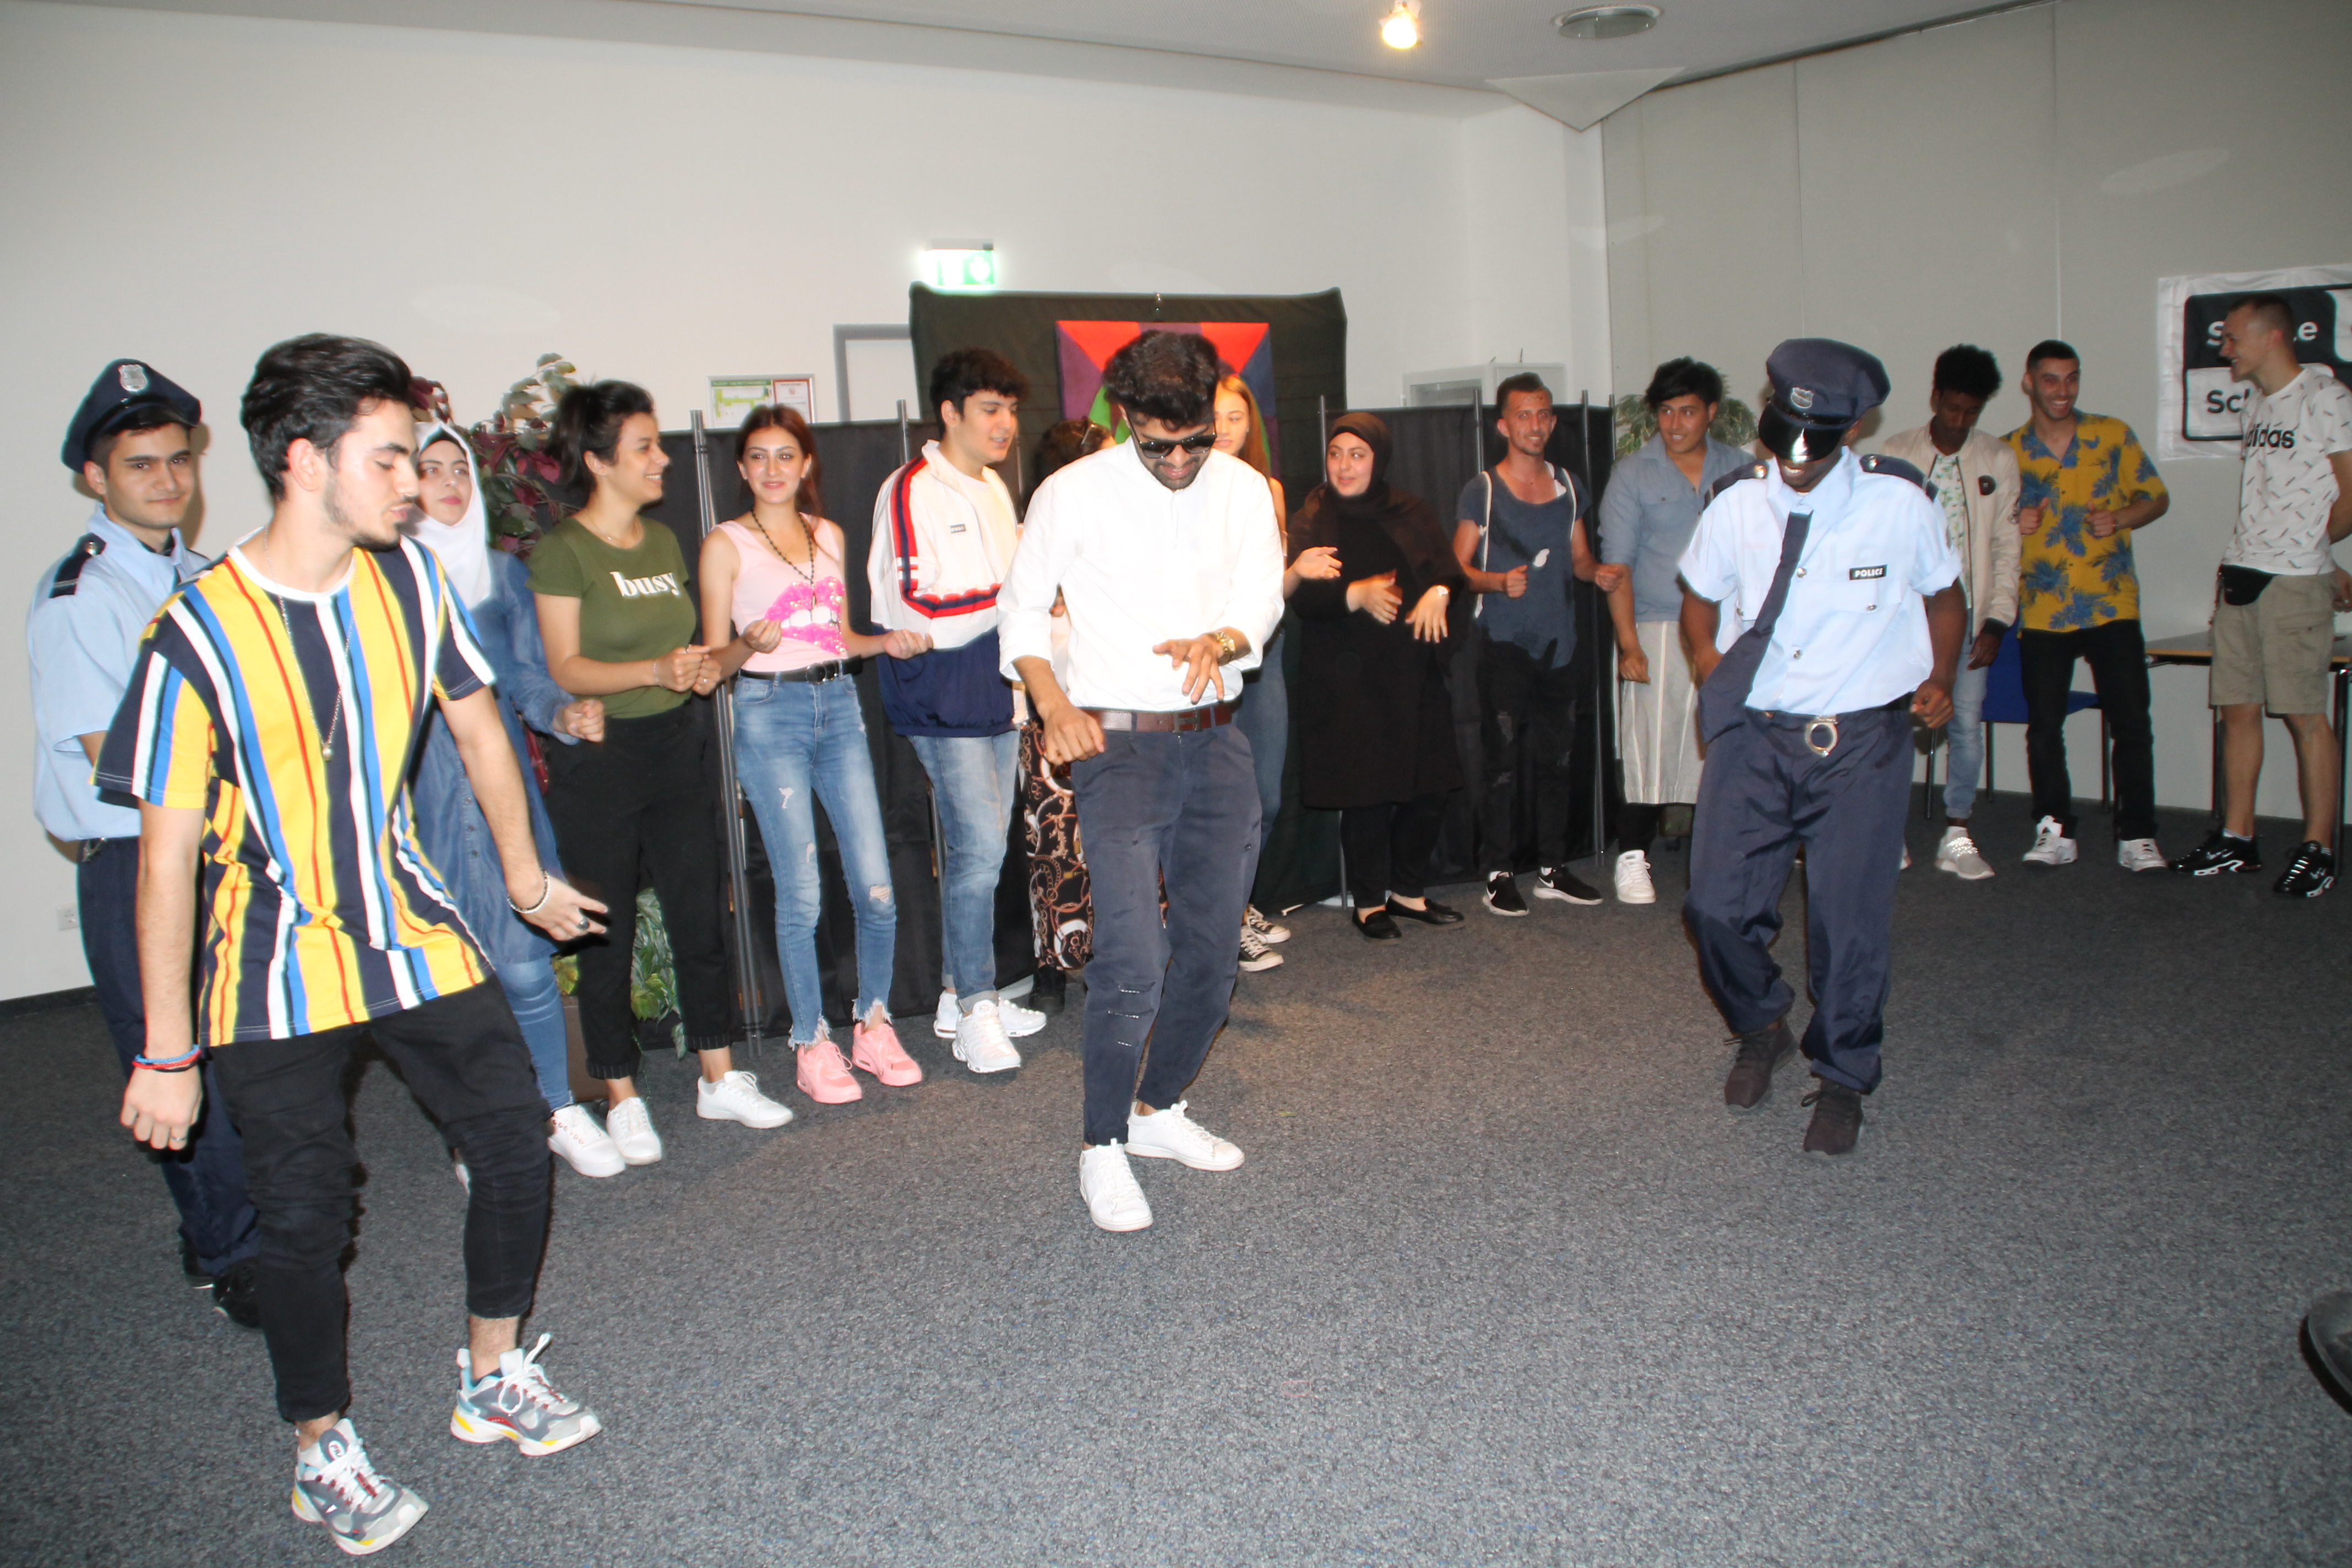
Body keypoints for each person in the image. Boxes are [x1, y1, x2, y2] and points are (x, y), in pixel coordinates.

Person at [103, 335, 605, 1556]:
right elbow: (164, 859)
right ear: (304, 460)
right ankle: (320, 1443)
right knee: (305, 1213)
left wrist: (525, 877)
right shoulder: (195, 632)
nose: (414, 484)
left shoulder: (409, 583)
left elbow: (479, 729)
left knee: (515, 1136)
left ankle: (491, 1372)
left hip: (407, 927)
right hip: (267, 959)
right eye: (386, 459)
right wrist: (165, 1050)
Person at [1000, 329, 1282, 1233]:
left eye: (1195, 440)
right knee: (1132, 959)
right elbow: (1020, 611)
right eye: (1160, 445)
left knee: (1212, 954)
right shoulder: (1072, 491)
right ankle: (1102, 1144)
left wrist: (1223, 640)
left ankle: (1158, 1108)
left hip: (1217, 743)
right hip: (1117, 749)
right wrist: (1051, 702)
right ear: (1123, 417)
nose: (1181, 461)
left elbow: (1262, 595)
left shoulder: (1240, 487)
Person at [1679, 339, 1963, 1157]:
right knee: (1714, 909)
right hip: (1757, 735)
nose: (1797, 458)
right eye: (1786, 436)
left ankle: (1844, 1075)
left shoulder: (1899, 503)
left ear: (1854, 429)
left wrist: (1940, 675)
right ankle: (1762, 1024)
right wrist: (1708, 665)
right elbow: (1699, 599)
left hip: (1861, 742)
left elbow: (1945, 597)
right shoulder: (1736, 503)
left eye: (1818, 442)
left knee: (1849, 922)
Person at [29, 360, 260, 1325]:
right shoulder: (82, 595)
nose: (167, 480)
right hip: (139, 861)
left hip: (221, 849)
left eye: (178, 460)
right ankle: (230, 1253)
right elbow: (117, 761)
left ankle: (241, 1222)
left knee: (244, 1051)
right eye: (139, 464)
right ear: (96, 477)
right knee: (174, 1055)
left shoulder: (203, 577)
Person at [532, 379, 793, 1159]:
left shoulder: (664, 541)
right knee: (604, 931)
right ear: (598, 461)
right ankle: (620, 1092)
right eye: (644, 447)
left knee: (697, 915)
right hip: (602, 759)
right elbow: (566, 667)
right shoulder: (563, 550)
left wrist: (739, 648)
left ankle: (719, 1075)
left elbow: (698, 665)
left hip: (678, 745)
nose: (662, 460)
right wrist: (653, 669)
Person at [402, 417, 626, 1177]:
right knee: (452, 978)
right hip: (422, 796)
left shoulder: (501, 575)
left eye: (458, 469)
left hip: (499, 790)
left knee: (527, 968)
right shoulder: (381, 579)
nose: (449, 484)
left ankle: (557, 1107)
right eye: (429, 469)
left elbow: (529, 678)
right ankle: (477, 1135)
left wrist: (563, 714)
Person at [699, 405, 930, 1101]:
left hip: (840, 708)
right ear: (742, 469)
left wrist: (886, 643)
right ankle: (810, 1039)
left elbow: (841, 637)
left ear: (806, 465)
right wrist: (748, 645)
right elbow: (710, 666)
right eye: (758, 456)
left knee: (876, 885)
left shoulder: (827, 534)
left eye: (785, 455)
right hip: (770, 713)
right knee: (801, 892)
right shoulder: (725, 545)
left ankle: (874, 1023)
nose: (773, 469)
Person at [868, 348, 1046, 1073]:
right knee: (977, 853)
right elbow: (914, 608)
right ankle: (976, 1006)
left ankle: (957, 993)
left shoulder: (996, 488)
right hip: (941, 695)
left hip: (996, 691)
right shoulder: (911, 488)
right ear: (950, 412)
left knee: (989, 848)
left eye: (1012, 411)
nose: (1005, 425)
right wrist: (1015, 595)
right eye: (990, 409)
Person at [2173, 294, 2352, 896]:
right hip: (2241, 574)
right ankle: (2238, 838)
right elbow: (2270, 498)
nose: (2225, 348)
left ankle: (2319, 849)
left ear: (2273, 337)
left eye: (2233, 337)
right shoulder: (2257, 403)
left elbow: (2350, 491)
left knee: (2305, 716)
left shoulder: (2326, 396)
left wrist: (2314, 554)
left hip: (2293, 583)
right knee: (2238, 709)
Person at [1290, 412, 1469, 939]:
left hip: (1412, 671)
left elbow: (1448, 572)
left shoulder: (1411, 510)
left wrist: (1440, 593)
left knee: (1430, 787)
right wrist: (1356, 594)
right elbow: (1301, 596)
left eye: (1357, 455)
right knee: (1366, 793)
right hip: (1348, 681)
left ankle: (1408, 891)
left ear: (1379, 459)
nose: (1344, 466)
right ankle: (1369, 902)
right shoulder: (1315, 516)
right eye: (1336, 454)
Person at [2003, 340, 2170, 872]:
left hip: (2110, 602)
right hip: (2043, 607)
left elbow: (2156, 497)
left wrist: (2121, 518)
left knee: (2132, 723)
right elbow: (1985, 523)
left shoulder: (2112, 435)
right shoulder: (2006, 452)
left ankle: (2137, 834)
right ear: (2029, 383)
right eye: (2051, 379)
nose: (2063, 390)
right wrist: (2014, 521)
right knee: (2044, 728)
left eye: (2071, 378)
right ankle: (2054, 829)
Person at [1452, 372, 1613, 915]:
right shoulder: (1483, 490)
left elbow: (1581, 559)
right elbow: (1457, 568)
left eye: (1543, 414)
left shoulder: (1569, 484)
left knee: (1558, 761)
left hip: (1560, 645)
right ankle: (1498, 871)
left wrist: (1600, 574)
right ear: (1503, 425)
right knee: (1500, 762)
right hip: (1504, 646)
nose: (1535, 424)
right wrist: (1498, 583)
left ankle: (1552, 867)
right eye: (1524, 414)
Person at [1598, 357, 1752, 905]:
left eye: (1687, 411)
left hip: (1730, 627)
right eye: (1666, 412)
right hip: (1657, 624)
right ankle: (1632, 858)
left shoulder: (1743, 469)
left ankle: (1723, 858)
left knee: (1725, 746)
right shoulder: (1633, 474)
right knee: (1649, 747)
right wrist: (1628, 645)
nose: (1675, 424)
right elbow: (1617, 566)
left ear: (1711, 412)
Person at [1876, 345, 2022, 881]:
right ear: (1935, 397)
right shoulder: (1897, 453)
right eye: (1953, 408)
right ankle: (1887, 834)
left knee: (1965, 726)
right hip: (1904, 623)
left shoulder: (1998, 458)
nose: (1960, 421)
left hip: (1972, 619)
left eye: (1972, 412)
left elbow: (2007, 545)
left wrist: (1997, 621)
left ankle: (1957, 832)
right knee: (1890, 729)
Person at [1019, 418, 1112, 1011]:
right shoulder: (1028, 534)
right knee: (1054, 851)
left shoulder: (1124, 530)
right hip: (1052, 712)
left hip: (1118, 710)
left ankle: (1121, 957)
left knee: (1122, 845)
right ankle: (1049, 965)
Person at [1212, 375, 1295, 971]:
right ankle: (1226, 921)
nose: (1224, 429)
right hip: (1208, 657)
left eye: (1236, 417)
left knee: (1267, 792)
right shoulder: (1186, 485)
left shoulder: (1268, 489)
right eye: (1214, 416)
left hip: (1265, 650)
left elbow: (1273, 585)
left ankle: (1239, 904)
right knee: (1221, 799)